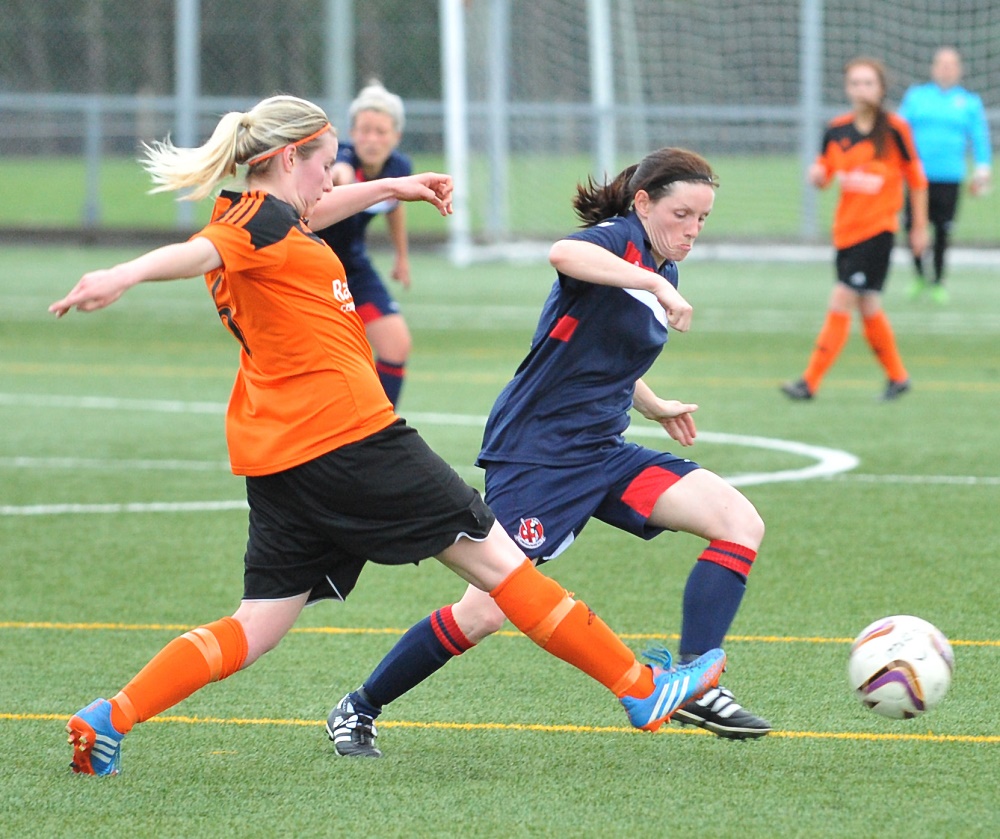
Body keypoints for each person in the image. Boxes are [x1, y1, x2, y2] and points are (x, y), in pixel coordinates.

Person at [50, 95, 726, 777]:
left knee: (255, 625)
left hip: (282, 455)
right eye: (324, 163)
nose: (332, 176)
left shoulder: (268, 220)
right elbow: (201, 251)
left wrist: (395, 187)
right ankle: (641, 691)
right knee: (502, 567)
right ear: (290, 159)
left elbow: (308, 212)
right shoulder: (250, 226)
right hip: (351, 438)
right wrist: (123, 274)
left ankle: (111, 716)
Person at [327, 147, 770, 759]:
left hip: (603, 452)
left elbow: (598, 350)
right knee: (483, 612)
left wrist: (653, 403)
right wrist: (647, 280)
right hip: (537, 454)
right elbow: (564, 253)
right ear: (643, 203)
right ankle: (360, 706)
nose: (692, 229)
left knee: (739, 523)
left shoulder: (663, 269)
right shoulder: (618, 244)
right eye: (682, 213)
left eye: (703, 218)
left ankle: (692, 682)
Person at [782, 57, 928, 403]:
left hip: (877, 231)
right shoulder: (837, 129)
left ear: (881, 89)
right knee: (869, 306)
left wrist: (919, 227)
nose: (862, 89)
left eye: (869, 83)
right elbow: (825, 171)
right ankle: (898, 377)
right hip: (846, 231)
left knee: (842, 297)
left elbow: (917, 179)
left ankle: (809, 382)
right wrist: (817, 175)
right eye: (856, 83)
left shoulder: (895, 129)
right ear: (847, 88)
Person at [314, 80, 413, 406]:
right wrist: (339, 177)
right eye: (364, 130)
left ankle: (379, 433)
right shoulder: (341, 158)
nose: (372, 139)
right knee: (323, 360)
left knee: (396, 345)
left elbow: (394, 206)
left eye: (381, 132)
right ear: (352, 134)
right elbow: (340, 175)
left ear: (395, 137)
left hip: (353, 266)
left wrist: (401, 257)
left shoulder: (399, 167)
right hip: (313, 267)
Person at [899, 47, 993, 304]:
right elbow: (899, 131)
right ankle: (920, 276)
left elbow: (979, 139)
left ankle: (938, 281)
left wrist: (982, 170)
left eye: (951, 64)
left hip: (950, 177)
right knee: (913, 227)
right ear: (933, 67)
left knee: (942, 230)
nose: (946, 68)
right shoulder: (917, 97)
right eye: (941, 63)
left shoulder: (969, 102)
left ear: (959, 69)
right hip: (917, 178)